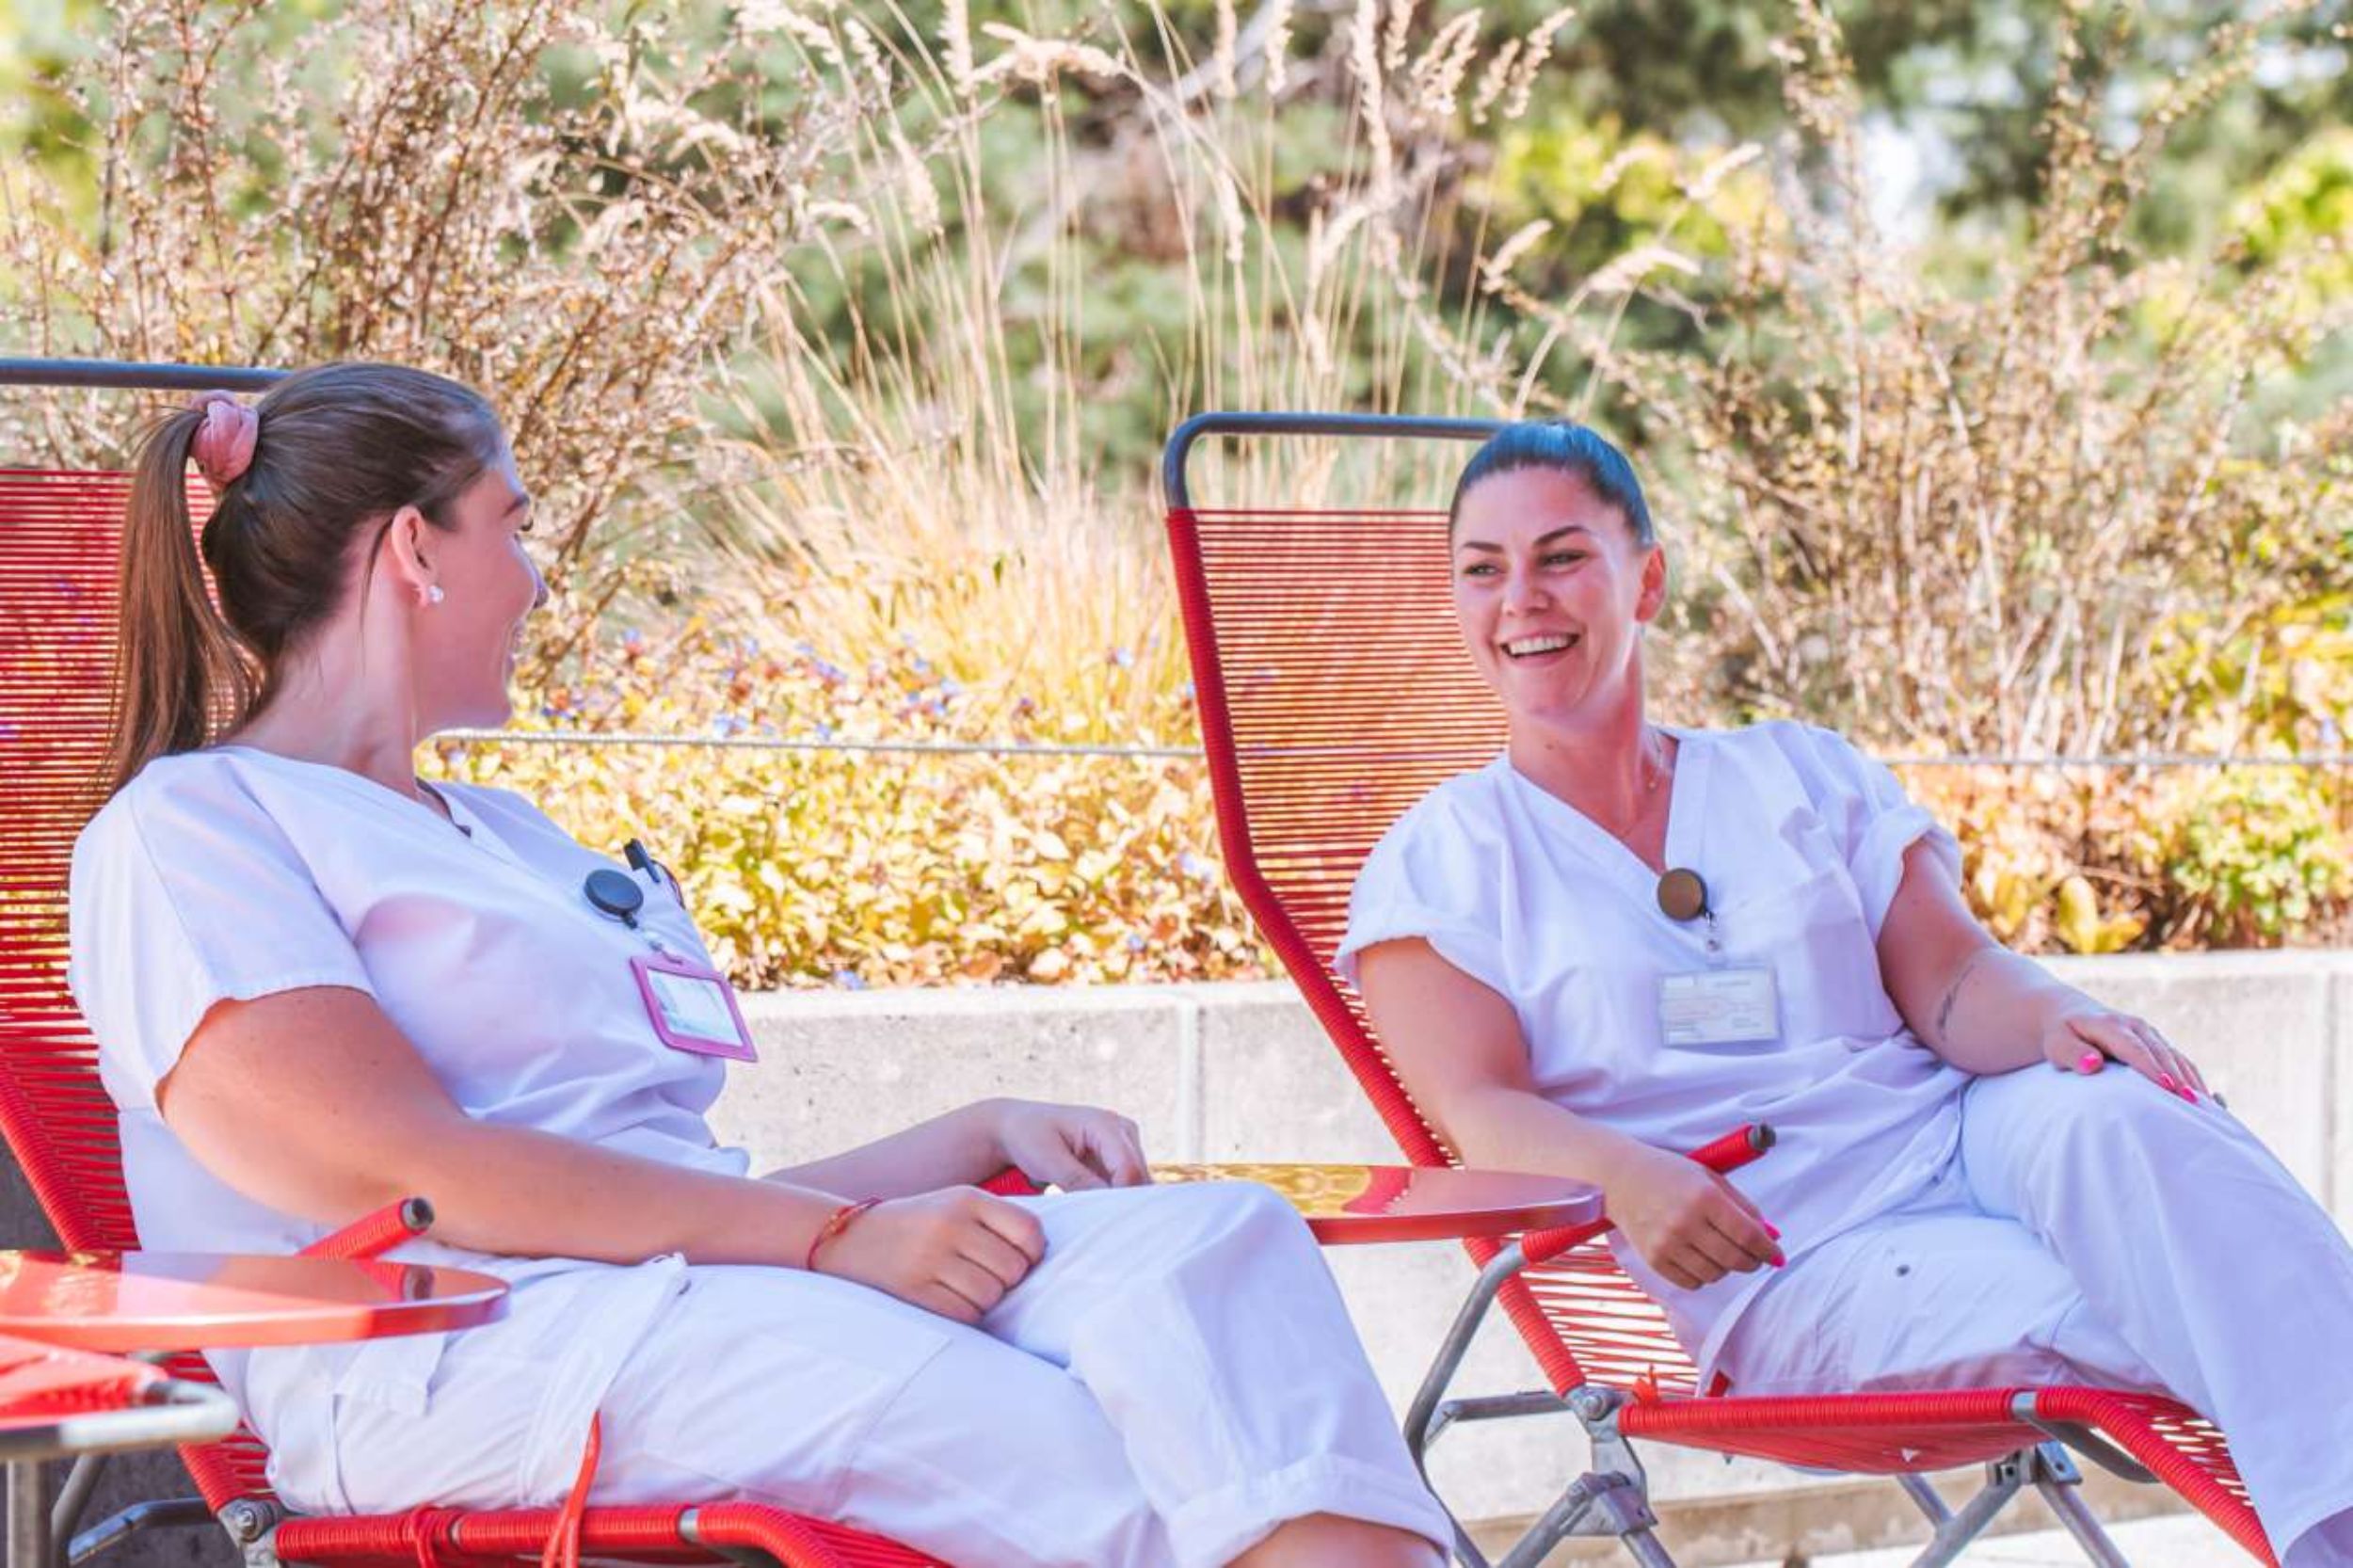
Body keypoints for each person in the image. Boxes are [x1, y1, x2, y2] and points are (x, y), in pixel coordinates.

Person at [67, 363, 1452, 1568]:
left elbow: (660, 1191)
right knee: (1118, 1459)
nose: (540, 575)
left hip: (691, 1290)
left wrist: (962, 1141)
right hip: (447, 1363)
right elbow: (419, 1175)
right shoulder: (193, 831)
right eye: (517, 526)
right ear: (416, 550)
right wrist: (842, 1244)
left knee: (1217, 1248)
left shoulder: (502, 833)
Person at [1339, 420, 2353, 1566]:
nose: (1520, 597)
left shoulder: (1797, 772)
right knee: (2183, 1290)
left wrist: (2052, 1012)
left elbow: (1957, 979)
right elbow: (1477, 1112)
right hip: (1786, 1250)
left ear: (1648, 579)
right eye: (1483, 569)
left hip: (1960, 1130)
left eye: (1561, 557)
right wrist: (1621, 1175)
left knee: (2144, 1122)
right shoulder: (1443, 862)